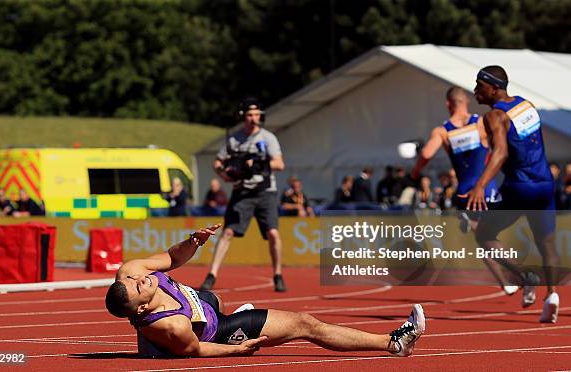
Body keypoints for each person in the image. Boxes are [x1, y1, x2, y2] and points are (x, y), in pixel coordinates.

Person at [105, 224, 426, 358]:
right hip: (213, 333)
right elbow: (196, 351)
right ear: (142, 310)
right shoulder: (169, 324)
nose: (141, 280)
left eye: (133, 281)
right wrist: (237, 350)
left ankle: (233, 314)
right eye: (137, 289)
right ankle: (393, 343)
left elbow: (173, 258)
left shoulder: (131, 272)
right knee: (305, 323)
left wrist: (192, 242)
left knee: (214, 297)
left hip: (203, 306)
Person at [464, 65, 559, 322]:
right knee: (546, 243)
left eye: (479, 85)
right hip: (545, 184)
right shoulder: (526, 105)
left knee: (484, 234)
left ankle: (525, 275)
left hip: (520, 187)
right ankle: (551, 296)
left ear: (494, 88)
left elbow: (501, 153)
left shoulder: (494, 116)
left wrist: (480, 185)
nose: (474, 90)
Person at [410, 86, 514, 294]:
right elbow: (502, 147)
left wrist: (414, 173)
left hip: (466, 192)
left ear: (448, 104)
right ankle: (514, 278)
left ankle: (516, 277)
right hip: (488, 188)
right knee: (489, 239)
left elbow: (427, 154)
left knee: (484, 240)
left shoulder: (443, 131)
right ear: (466, 101)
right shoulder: (482, 122)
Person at [200, 97, 287, 292]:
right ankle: (211, 274)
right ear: (243, 116)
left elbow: (279, 164)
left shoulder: (268, 138)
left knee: (273, 233)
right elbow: (218, 162)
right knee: (228, 232)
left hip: (265, 191)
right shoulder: (234, 139)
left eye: (257, 114)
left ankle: (278, 274)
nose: (253, 118)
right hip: (242, 192)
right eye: (249, 115)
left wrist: (257, 164)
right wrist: (226, 175)